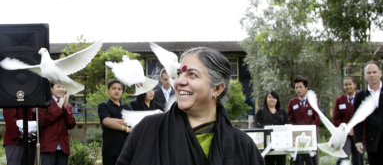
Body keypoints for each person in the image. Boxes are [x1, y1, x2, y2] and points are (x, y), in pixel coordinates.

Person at [116, 47, 264, 164]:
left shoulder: (243, 145)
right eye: (179, 73)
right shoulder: (148, 130)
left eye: (192, 75)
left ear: (217, 89)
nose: (179, 81)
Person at [39, 83, 76, 165]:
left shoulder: (68, 106)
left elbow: (71, 124)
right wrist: (58, 108)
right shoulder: (43, 104)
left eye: (63, 87)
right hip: (48, 146)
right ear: (51, 88)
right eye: (58, 86)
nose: (61, 89)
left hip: (63, 147)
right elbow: (42, 122)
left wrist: (65, 108)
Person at [354, 61, 383, 165]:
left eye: (374, 72)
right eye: (369, 73)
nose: (372, 75)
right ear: (365, 75)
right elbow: (358, 119)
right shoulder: (361, 95)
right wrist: (358, 140)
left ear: (380, 73)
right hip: (373, 142)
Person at [98, 79, 133, 165]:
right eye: (114, 88)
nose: (117, 91)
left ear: (122, 92)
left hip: (126, 150)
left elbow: (132, 122)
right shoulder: (103, 106)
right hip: (110, 151)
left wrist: (112, 120)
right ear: (108, 90)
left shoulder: (127, 106)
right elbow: (106, 122)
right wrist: (126, 128)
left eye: (119, 89)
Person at [287, 75, 320, 165]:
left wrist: (309, 130)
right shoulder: (292, 102)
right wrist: (296, 130)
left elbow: (317, 117)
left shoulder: (313, 101)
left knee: (311, 161)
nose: (298, 89)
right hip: (296, 138)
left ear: (306, 88)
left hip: (310, 138)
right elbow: (289, 118)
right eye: (296, 87)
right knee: (297, 162)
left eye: (300, 87)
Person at [333, 77, 363, 165]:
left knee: (358, 159)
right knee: (344, 157)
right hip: (344, 135)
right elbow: (335, 119)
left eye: (350, 84)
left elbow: (365, 117)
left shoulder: (361, 98)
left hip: (359, 134)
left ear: (355, 85)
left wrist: (356, 128)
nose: (348, 86)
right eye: (346, 85)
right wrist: (346, 128)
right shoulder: (339, 100)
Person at [255, 90, 289, 165]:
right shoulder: (261, 112)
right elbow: (257, 127)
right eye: (270, 97)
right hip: (266, 144)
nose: (272, 99)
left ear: (277, 100)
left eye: (274, 98)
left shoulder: (282, 112)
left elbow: (287, 126)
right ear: (266, 99)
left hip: (280, 144)